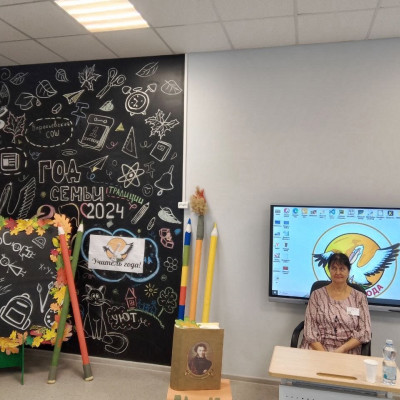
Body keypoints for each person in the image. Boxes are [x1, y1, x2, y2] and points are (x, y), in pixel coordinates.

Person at [300, 252, 371, 354]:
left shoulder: (359, 297)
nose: (338, 272)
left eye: (342, 269)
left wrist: (342, 349)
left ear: (348, 271)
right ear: (329, 270)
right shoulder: (317, 295)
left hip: (347, 350)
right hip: (317, 349)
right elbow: (309, 330)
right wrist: (325, 354)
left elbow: (365, 331)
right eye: (334, 268)